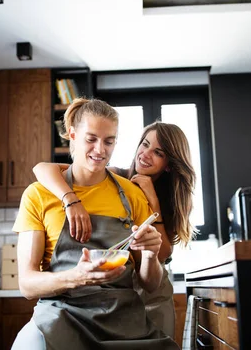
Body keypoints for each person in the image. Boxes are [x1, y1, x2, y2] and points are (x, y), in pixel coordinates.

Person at [11, 98, 179, 350]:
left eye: (109, 141)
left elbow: (150, 283)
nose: (100, 150)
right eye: (91, 139)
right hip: (62, 314)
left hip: (124, 320)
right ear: (72, 135)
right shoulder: (39, 194)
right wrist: (75, 278)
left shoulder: (131, 193)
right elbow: (27, 285)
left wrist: (149, 255)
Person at [32, 121, 197, 339]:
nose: (145, 154)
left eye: (157, 152)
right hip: (120, 290)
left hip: (154, 290)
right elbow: (41, 169)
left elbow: (163, 253)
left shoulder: (172, 199)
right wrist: (70, 200)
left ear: (169, 164)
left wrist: (152, 200)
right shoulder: (113, 176)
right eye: (144, 144)